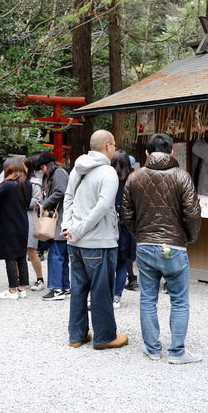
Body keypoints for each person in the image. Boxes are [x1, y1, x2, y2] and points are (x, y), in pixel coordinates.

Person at [123, 133, 202, 363]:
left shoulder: (134, 177)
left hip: (145, 245)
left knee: (148, 298)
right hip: (174, 246)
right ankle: (177, 352)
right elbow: (193, 213)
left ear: (147, 153)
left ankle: (152, 349)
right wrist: (189, 238)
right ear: (172, 152)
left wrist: (139, 235)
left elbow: (126, 214)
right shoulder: (182, 176)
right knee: (179, 300)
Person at [62, 129, 127, 350]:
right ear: (108, 146)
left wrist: (67, 226)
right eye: (115, 145)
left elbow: (68, 198)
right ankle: (105, 337)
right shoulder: (108, 173)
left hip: (74, 241)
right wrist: (77, 229)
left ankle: (77, 335)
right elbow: (102, 208)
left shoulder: (77, 169)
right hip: (99, 241)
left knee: (78, 289)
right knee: (101, 291)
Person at [0, 157, 32, 299]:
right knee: (21, 256)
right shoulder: (27, 184)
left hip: (8, 224)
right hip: (22, 223)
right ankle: (22, 288)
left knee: (10, 257)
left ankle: (12, 290)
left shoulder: (7, 185)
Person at [35, 152, 70, 300]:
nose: (42, 171)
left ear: (47, 165)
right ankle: (64, 286)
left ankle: (57, 289)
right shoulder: (59, 173)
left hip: (60, 220)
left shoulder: (59, 173)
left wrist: (44, 204)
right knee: (60, 255)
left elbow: (60, 192)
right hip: (61, 219)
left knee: (55, 255)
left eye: (42, 168)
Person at [111, 150, 136, 309]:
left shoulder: (108, 179)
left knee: (108, 263)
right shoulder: (133, 181)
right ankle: (116, 296)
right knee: (122, 264)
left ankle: (105, 294)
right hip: (127, 228)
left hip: (110, 227)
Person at [25, 154, 46, 290]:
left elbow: (37, 202)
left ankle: (40, 279)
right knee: (17, 252)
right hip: (18, 218)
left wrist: (21, 202)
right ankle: (21, 278)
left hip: (30, 218)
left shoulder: (34, 183)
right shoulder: (17, 180)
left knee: (31, 251)